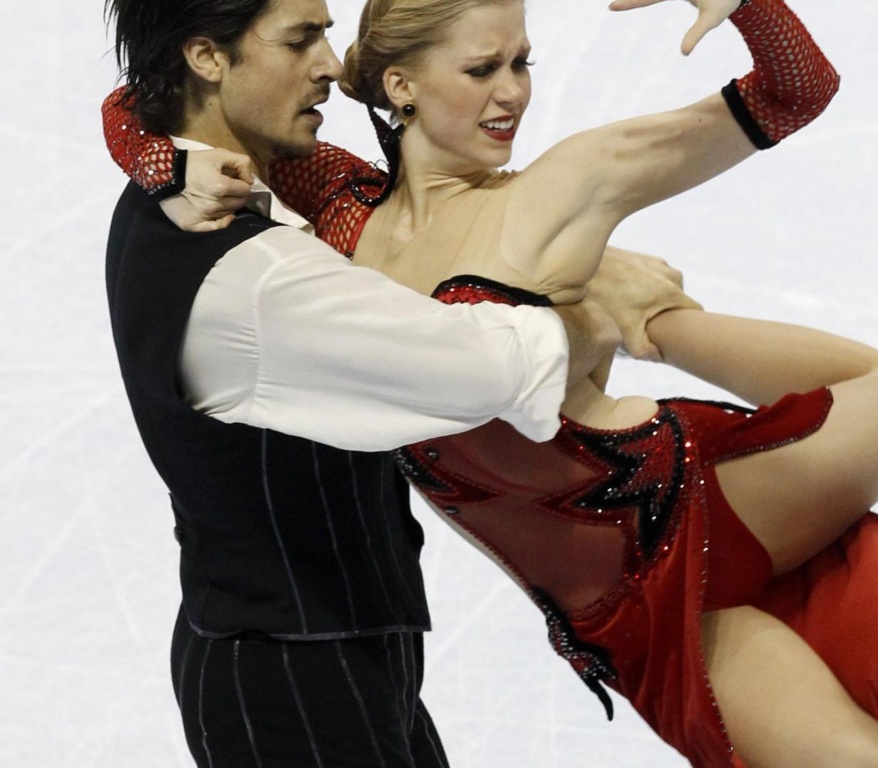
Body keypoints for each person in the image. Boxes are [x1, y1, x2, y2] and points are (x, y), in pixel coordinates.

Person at [104, 0, 878, 766]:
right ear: (398, 84)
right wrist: (156, 156)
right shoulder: (333, 201)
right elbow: (148, 93)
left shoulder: (571, 178)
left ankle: (670, 324)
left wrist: (743, 5)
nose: (514, 91)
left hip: (667, 508)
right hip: (607, 605)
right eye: (484, 66)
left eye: (524, 61)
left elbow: (790, 92)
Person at [100, 0, 695, 765]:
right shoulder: (254, 279)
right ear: (207, 58)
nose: (329, 62)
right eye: (299, 38)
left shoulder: (210, 186)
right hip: (293, 677)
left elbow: (133, 101)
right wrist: (597, 308)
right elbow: (491, 369)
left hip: (333, 651)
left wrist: (148, 152)